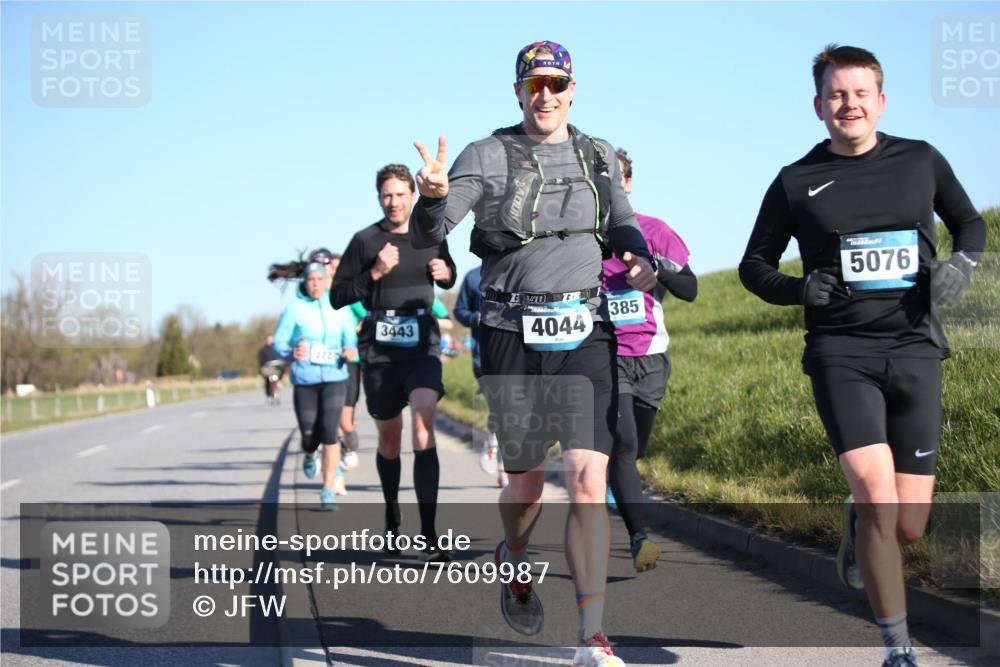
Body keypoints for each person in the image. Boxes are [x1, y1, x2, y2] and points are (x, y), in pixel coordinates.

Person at [410, 40, 656, 667]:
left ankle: (591, 634)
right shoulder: (485, 154)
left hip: (584, 327)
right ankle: (513, 558)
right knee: (524, 485)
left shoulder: (598, 153)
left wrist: (636, 254)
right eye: (533, 84)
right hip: (510, 332)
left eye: (555, 83)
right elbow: (431, 232)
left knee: (584, 477)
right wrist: (434, 196)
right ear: (517, 91)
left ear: (573, 89)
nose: (544, 95)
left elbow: (622, 219)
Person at [739, 44, 986, 667]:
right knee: (880, 499)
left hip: (914, 348)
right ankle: (898, 648)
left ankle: (859, 524)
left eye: (859, 93)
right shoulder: (797, 180)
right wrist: (800, 290)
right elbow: (753, 266)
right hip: (840, 351)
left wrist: (962, 264)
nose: (848, 104)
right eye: (835, 95)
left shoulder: (920, 161)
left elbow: (970, 223)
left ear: (881, 99)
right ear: (818, 105)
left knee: (910, 525)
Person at [330, 163, 457, 563]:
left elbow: (449, 276)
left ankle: (431, 536)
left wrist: (447, 271)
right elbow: (338, 296)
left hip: (422, 345)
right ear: (378, 197)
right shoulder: (365, 240)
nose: (394, 201)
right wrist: (374, 272)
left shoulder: (431, 234)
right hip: (381, 353)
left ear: (413, 197)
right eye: (387, 194)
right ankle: (391, 519)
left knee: (424, 425)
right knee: (389, 438)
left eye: (401, 194)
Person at [603, 148, 698, 573]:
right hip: (606, 355)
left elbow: (691, 289)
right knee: (623, 443)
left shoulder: (655, 232)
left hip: (652, 357)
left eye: (617, 178)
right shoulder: (583, 240)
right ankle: (639, 537)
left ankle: (617, 477)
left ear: (629, 184)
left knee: (634, 445)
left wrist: (656, 270)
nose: (611, 187)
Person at [270, 260, 358, 510]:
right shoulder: (294, 310)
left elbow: (350, 339)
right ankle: (309, 453)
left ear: (327, 281)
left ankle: (328, 489)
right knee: (310, 435)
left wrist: (350, 350)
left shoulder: (340, 309)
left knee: (330, 433)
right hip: (305, 380)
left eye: (320, 279)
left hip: (335, 377)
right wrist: (290, 352)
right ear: (304, 283)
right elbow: (278, 343)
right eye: (311, 280)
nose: (315, 284)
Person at [454, 264, 508, 488]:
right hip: (482, 355)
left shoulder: (512, 270)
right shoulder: (472, 276)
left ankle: (503, 462)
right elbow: (459, 311)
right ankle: (494, 443)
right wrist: (474, 317)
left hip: (513, 351)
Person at [257, 335, 285, 404]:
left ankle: (278, 385)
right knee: (268, 381)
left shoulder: (277, 349)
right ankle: (268, 395)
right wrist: (263, 367)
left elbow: (281, 358)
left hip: (276, 369)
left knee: (277, 377)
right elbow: (261, 361)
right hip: (267, 369)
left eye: (271, 340)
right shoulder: (263, 350)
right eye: (269, 340)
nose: (270, 341)